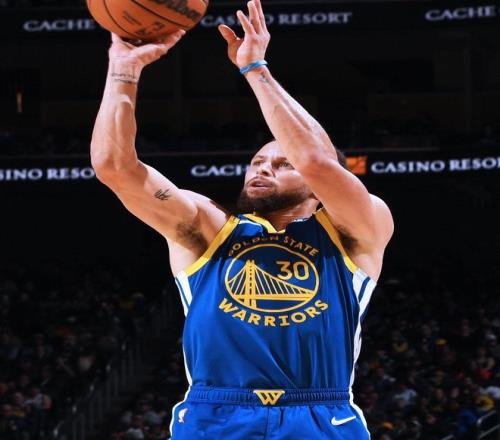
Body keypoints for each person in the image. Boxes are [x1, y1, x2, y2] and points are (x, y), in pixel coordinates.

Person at [90, 0, 393, 438]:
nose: (262, 169)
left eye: (282, 164)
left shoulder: (356, 229)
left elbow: (317, 161)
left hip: (319, 413)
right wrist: (123, 70)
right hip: (216, 414)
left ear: (317, 188)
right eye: (257, 162)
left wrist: (255, 68)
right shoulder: (208, 227)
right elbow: (114, 167)